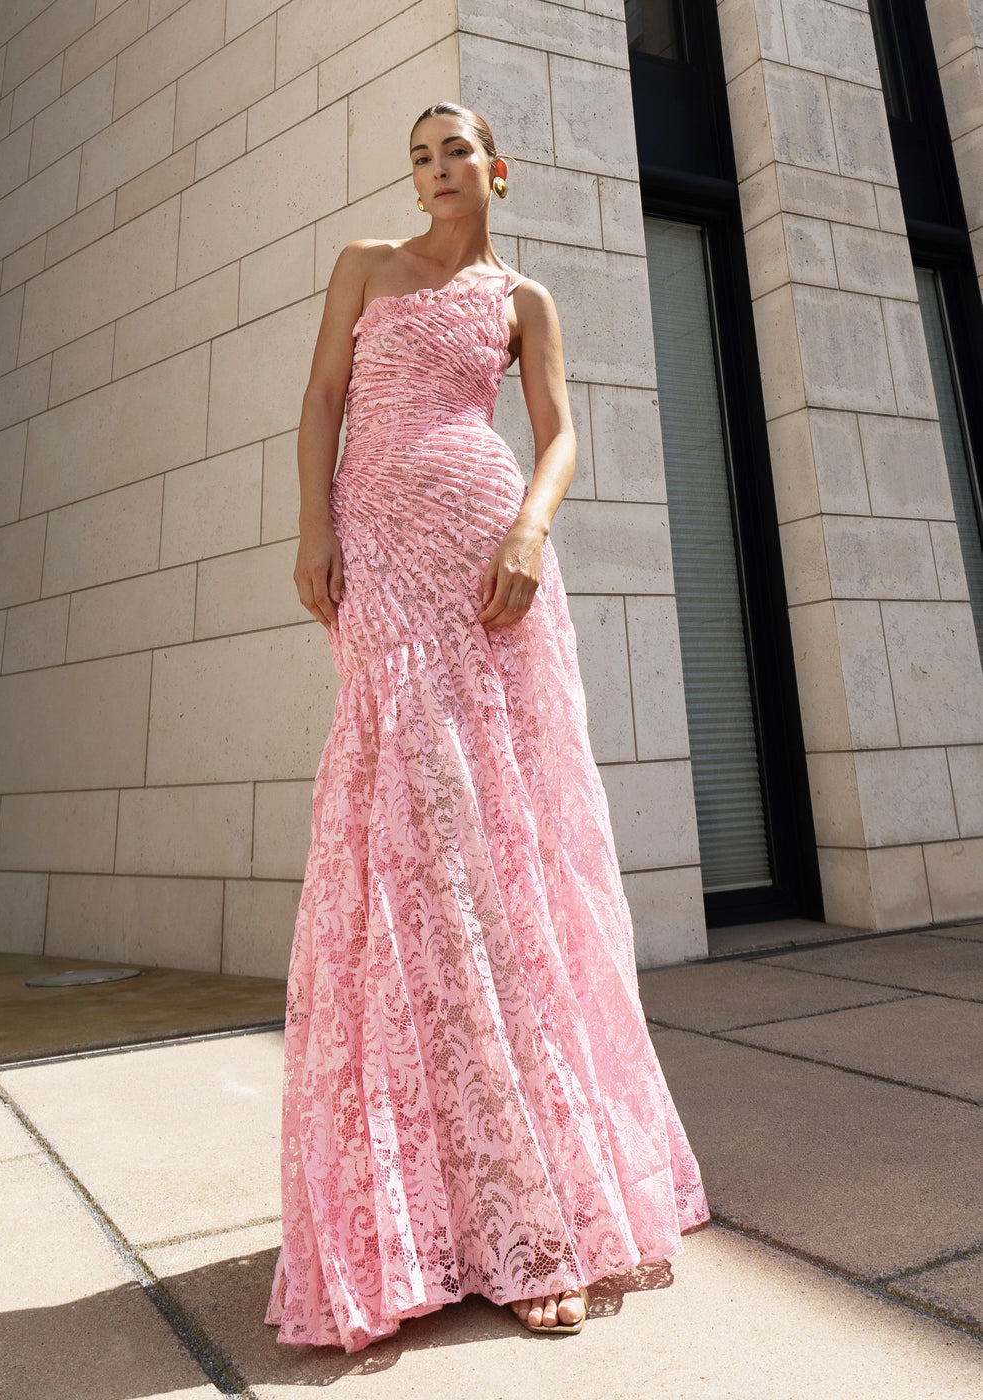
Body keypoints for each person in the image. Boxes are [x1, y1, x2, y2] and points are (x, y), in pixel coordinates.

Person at [265, 101, 709, 1354]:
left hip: (487, 562)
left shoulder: (524, 298)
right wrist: (314, 530)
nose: (435, 168)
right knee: (407, 849)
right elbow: (322, 400)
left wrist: (528, 532)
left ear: (495, 169)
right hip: (382, 562)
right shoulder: (364, 267)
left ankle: (522, 1213)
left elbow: (559, 437)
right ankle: (420, 1211)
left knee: (499, 853)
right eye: (419, 155)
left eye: (454, 148)